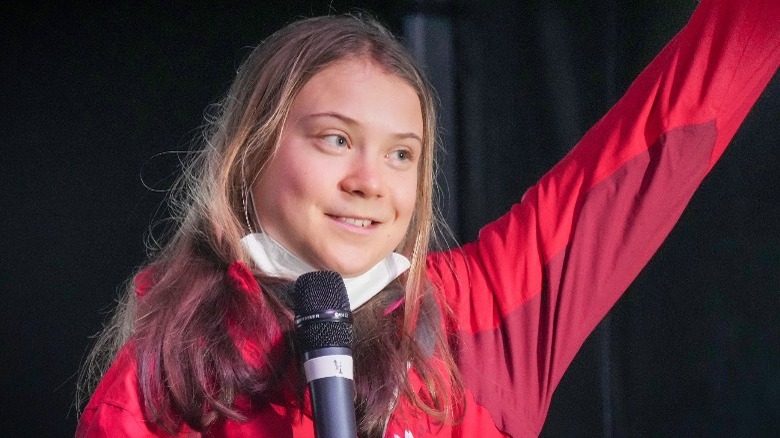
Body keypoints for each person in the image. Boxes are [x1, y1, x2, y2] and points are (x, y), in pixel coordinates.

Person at [76, 0, 779, 436]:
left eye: (402, 154)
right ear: (250, 154)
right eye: (336, 139)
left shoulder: (480, 314)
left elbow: (679, 116)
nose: (369, 183)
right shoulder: (161, 382)